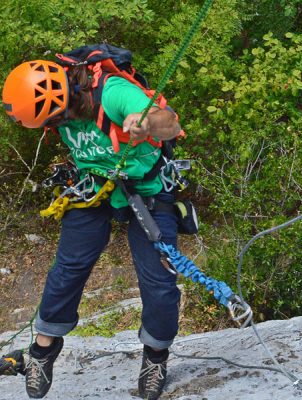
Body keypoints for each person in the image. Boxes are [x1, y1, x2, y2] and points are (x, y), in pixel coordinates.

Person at [2, 59, 183, 400]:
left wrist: (145, 123)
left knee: (158, 280)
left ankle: (156, 355)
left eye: (54, 119)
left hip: (147, 187)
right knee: (69, 268)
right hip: (96, 187)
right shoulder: (57, 113)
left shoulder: (111, 93)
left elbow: (170, 123)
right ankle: (43, 349)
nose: (56, 125)